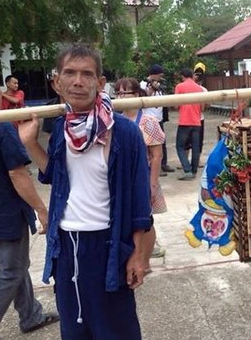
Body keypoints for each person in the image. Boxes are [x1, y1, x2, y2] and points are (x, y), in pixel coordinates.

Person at [18, 44, 151, 340]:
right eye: (70, 73)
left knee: (116, 329)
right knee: (75, 328)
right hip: (65, 244)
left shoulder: (124, 133)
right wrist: (30, 144)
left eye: (87, 74)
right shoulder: (61, 130)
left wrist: (140, 255)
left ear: (100, 83)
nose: (78, 81)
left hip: (107, 243)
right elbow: (55, 174)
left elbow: (141, 201)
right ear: (57, 82)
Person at [0, 66, 59, 340]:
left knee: (15, 264)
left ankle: (31, 314)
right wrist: (41, 208)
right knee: (11, 269)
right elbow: (17, 173)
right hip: (5, 211)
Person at [115, 77, 167, 262]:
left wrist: (152, 184)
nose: (121, 97)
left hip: (143, 177)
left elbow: (156, 155)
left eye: (125, 93)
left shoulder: (148, 121)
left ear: (136, 95)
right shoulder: (115, 121)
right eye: (118, 93)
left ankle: (146, 259)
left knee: (145, 219)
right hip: (122, 178)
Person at [140, 64, 174, 176]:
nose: (161, 77)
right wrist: (152, 88)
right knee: (151, 144)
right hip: (148, 118)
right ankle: (154, 167)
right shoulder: (143, 84)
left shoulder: (160, 84)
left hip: (159, 118)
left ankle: (163, 164)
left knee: (162, 142)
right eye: (159, 75)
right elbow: (144, 98)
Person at [174, 68, 204, 180]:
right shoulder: (199, 88)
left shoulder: (180, 86)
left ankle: (187, 169)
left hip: (184, 121)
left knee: (180, 146)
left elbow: (176, 105)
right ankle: (194, 170)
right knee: (196, 147)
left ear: (183, 76)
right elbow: (202, 106)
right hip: (196, 121)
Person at [41, 69, 62, 136]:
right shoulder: (50, 107)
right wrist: (30, 141)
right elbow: (51, 139)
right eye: (56, 82)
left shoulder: (91, 107)